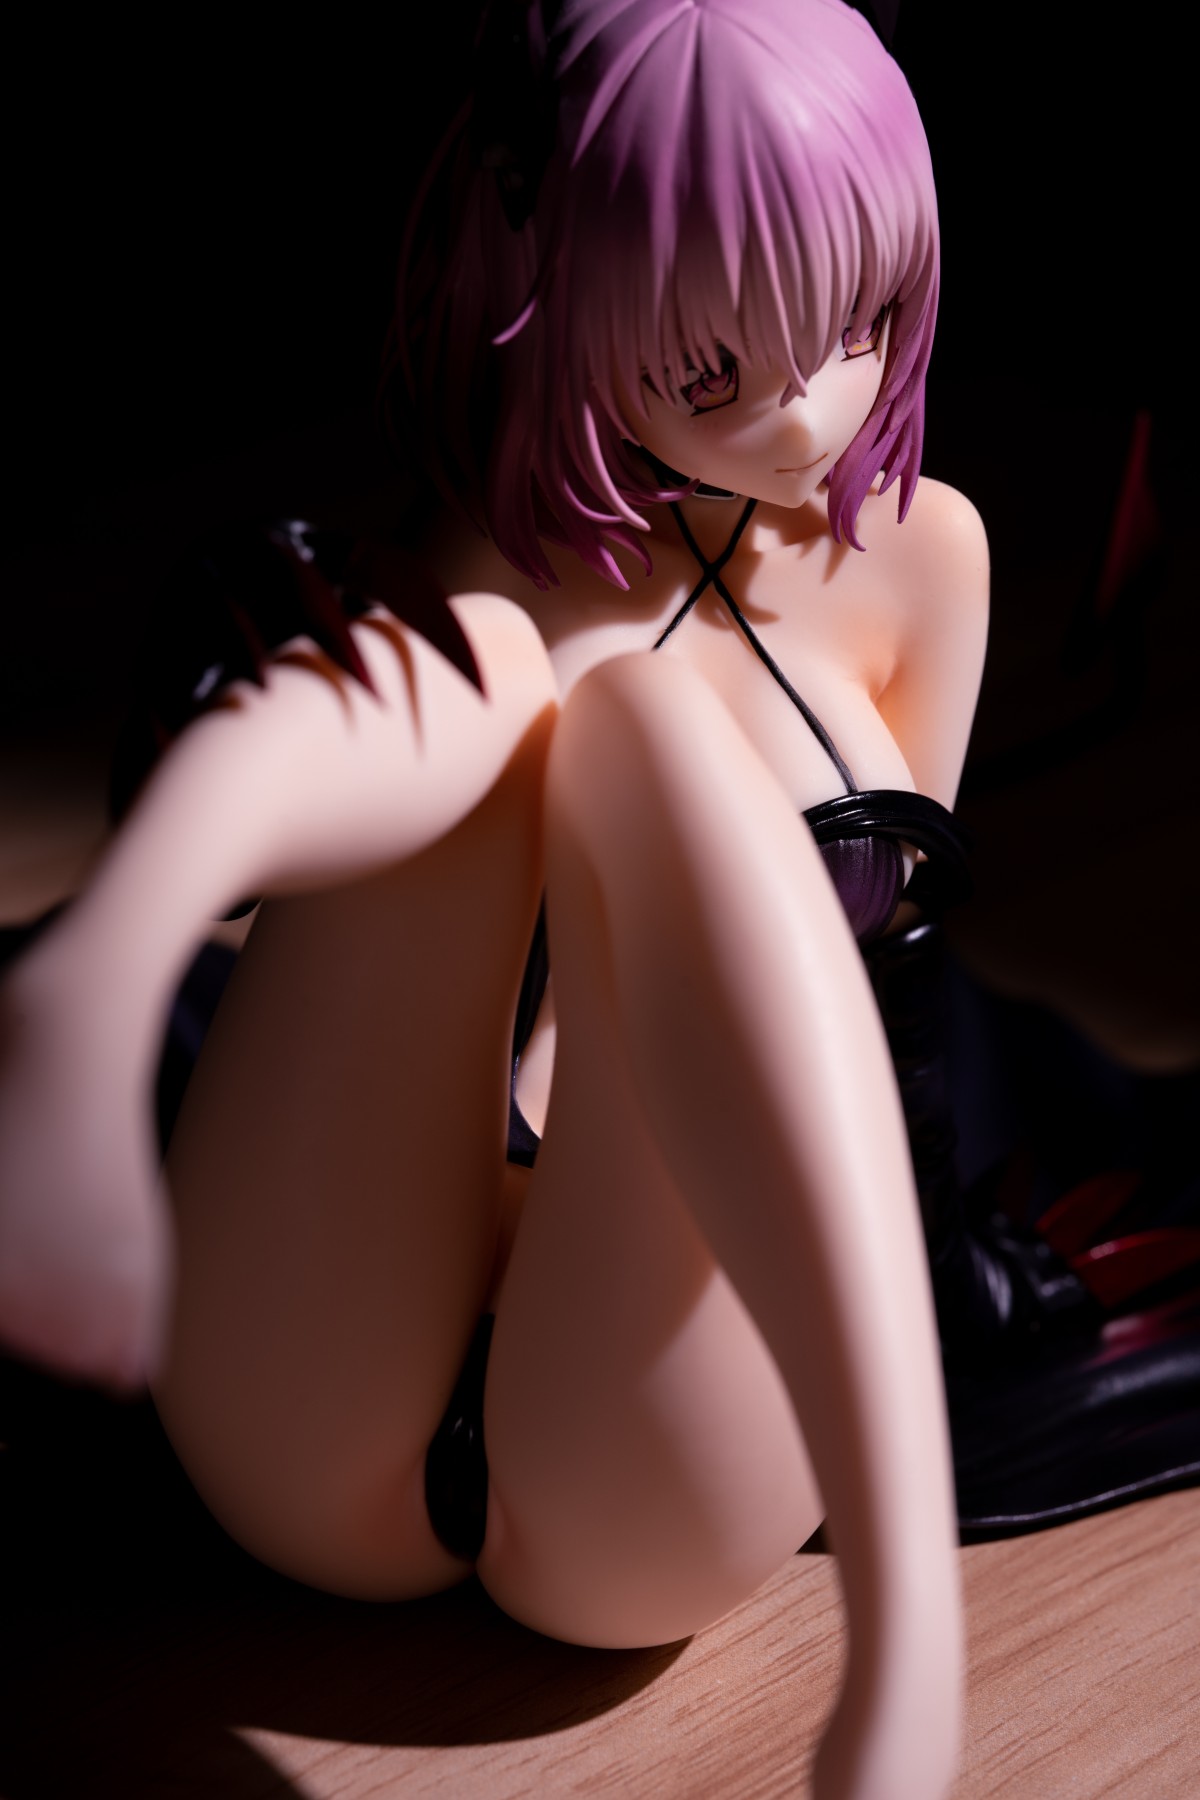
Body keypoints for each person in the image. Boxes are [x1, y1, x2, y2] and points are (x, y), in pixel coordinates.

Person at [0, 4, 985, 1793]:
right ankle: (111, 968)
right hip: (321, 1375)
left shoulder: (922, 565)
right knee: (496, 661)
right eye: (711, 370)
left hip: (655, 1421)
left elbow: (893, 993)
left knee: (651, 735)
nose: (807, 411)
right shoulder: (498, 561)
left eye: (857, 321)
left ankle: (907, 1624)